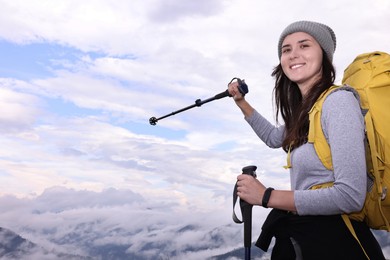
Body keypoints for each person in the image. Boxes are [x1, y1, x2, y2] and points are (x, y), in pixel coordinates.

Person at [228, 21, 385, 260]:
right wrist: (241, 102)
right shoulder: (308, 110)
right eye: (286, 49)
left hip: (339, 242)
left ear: (324, 55)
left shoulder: (338, 103)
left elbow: (350, 196)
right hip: (310, 236)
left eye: (304, 46)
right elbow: (273, 137)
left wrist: (266, 196)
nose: (294, 55)